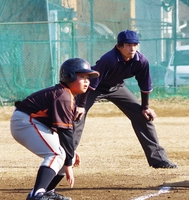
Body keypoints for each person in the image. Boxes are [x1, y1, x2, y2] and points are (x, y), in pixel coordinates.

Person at [73, 30, 177, 169]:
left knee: (142, 116)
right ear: (119, 46)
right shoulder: (108, 59)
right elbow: (92, 84)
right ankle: (66, 156)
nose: (132, 48)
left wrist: (145, 107)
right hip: (94, 88)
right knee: (77, 115)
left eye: (135, 44)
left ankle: (158, 160)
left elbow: (145, 86)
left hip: (116, 87)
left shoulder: (141, 61)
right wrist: (80, 105)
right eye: (128, 45)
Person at [10, 58, 100, 200]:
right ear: (69, 76)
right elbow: (65, 131)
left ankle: (47, 191)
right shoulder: (63, 96)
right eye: (82, 77)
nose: (87, 81)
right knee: (57, 154)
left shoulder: (67, 95)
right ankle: (36, 194)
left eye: (88, 78)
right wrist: (69, 163)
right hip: (24, 121)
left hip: (32, 122)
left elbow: (64, 131)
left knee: (64, 153)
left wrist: (70, 152)